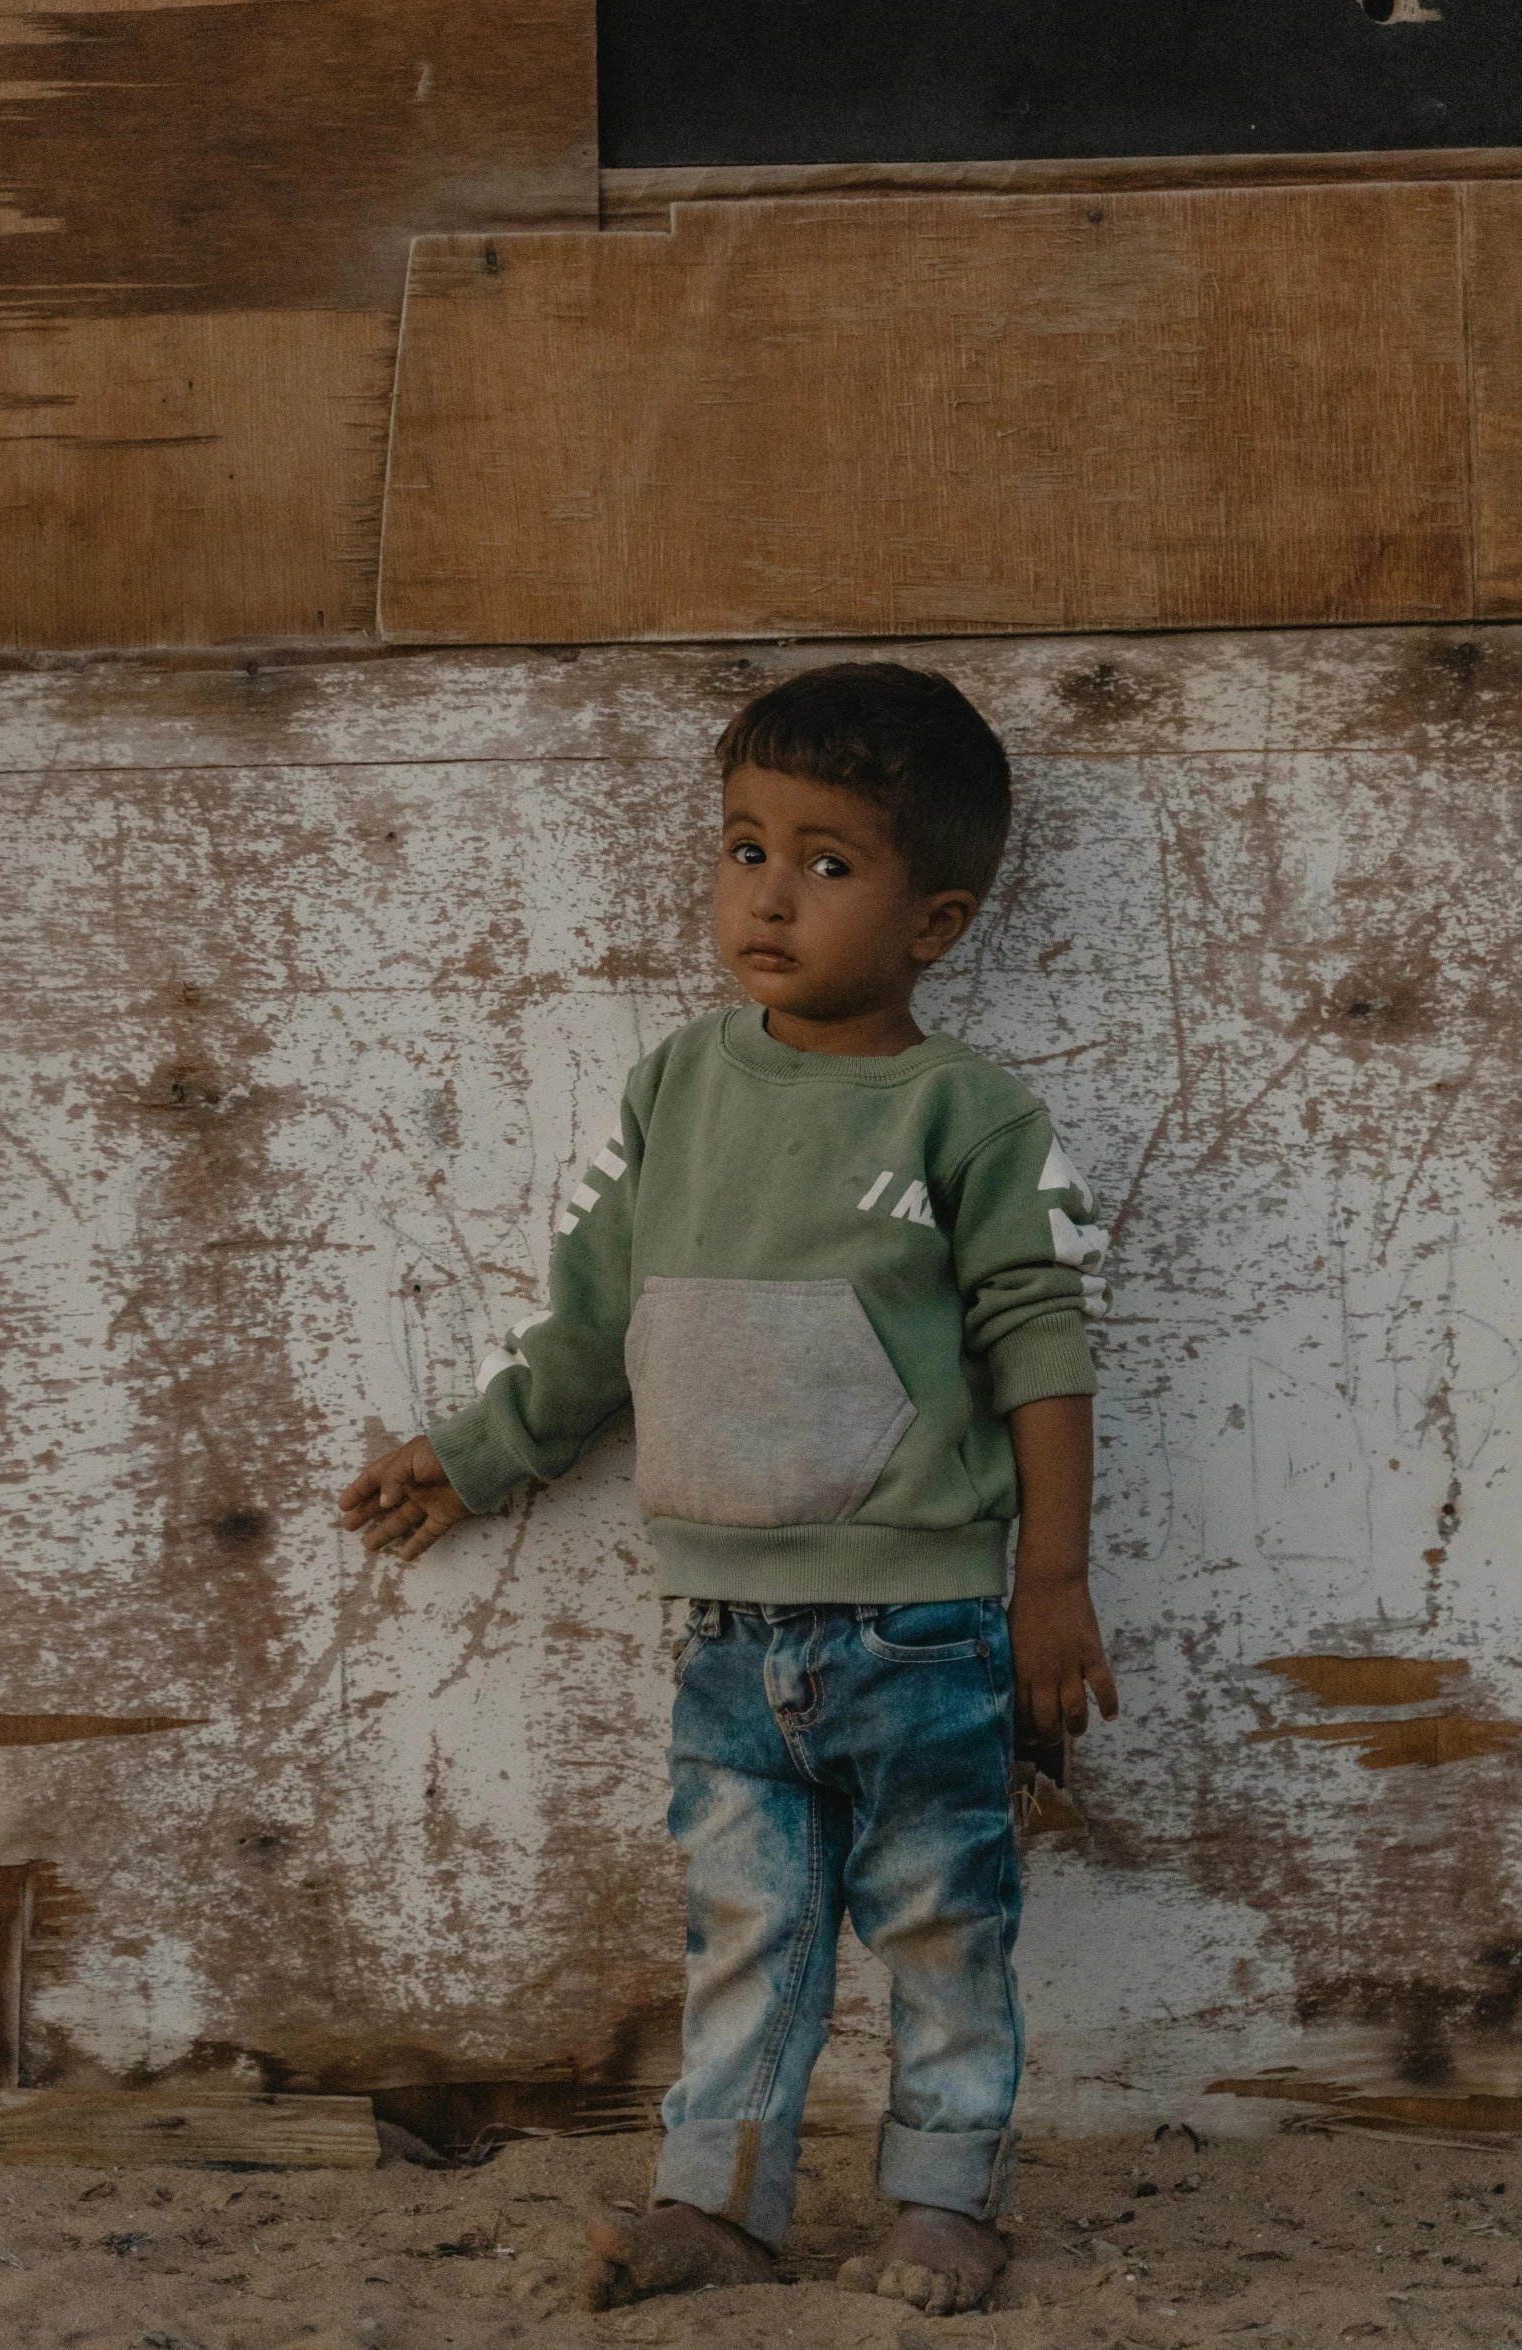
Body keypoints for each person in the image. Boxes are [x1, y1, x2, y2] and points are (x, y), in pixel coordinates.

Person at [336, 662, 1119, 2317]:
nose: (768, 892)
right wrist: (474, 1458)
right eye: (744, 846)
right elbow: (594, 1322)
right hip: (721, 1632)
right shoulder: (673, 1090)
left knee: (938, 1931)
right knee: (746, 1935)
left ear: (936, 919)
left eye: (829, 861)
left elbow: (1040, 1338)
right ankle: (718, 2205)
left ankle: (942, 2198)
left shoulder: (961, 1111)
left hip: (923, 1626)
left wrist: (1050, 1579)